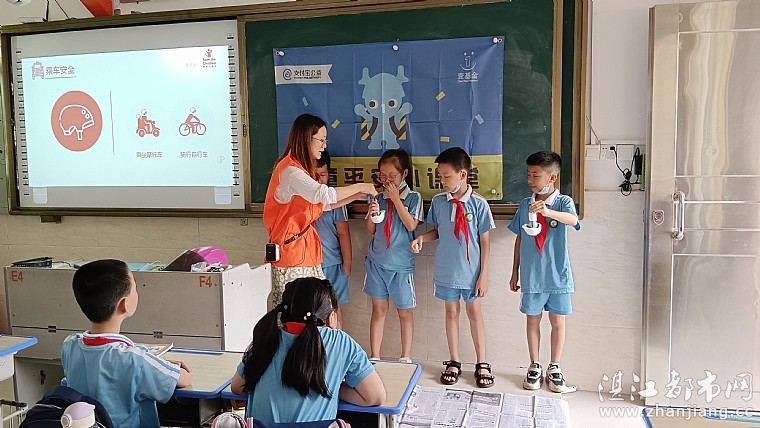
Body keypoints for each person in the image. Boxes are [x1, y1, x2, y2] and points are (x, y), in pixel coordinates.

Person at [230, 277, 386, 423]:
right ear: (331, 317)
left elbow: (237, 387)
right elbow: (375, 396)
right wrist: (334, 388)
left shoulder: (266, 338)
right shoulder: (341, 342)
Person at [61, 259, 192, 428]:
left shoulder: (70, 346)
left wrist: (156, 363)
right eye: (135, 288)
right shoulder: (135, 360)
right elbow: (184, 379)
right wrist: (163, 365)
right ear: (125, 304)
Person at [264, 113, 377, 308]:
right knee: (295, 312)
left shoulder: (301, 170)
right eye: (321, 140)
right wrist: (361, 186)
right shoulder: (290, 171)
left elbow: (321, 205)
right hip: (292, 257)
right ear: (306, 138)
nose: (324, 146)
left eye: (326, 140)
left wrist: (353, 197)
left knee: (317, 308)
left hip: (306, 254)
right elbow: (322, 195)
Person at [411, 147, 496, 388]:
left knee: (474, 313)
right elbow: (437, 231)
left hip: (471, 272)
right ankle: (454, 361)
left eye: (447, 176)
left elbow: (485, 243)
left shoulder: (479, 204)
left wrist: (483, 276)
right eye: (440, 176)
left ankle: (482, 362)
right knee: (450, 312)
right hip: (446, 269)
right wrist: (422, 238)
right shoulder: (439, 202)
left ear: (463, 174)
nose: (443, 181)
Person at [508, 150, 580, 393]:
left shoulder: (562, 202)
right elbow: (519, 238)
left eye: (536, 175)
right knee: (532, 319)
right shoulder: (525, 205)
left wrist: (547, 212)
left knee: (558, 321)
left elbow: (573, 220)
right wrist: (515, 271)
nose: (530, 180)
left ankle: (555, 366)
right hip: (532, 275)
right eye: (529, 174)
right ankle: (534, 364)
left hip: (557, 274)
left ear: (552, 178)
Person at [364, 149, 423, 362]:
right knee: (378, 309)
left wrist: (396, 199)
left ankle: (405, 356)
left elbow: (411, 225)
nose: (387, 180)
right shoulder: (378, 198)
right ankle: (375, 356)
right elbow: (371, 230)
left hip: (401, 266)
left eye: (392, 176)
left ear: (404, 174)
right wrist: (371, 214)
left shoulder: (414, 198)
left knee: (404, 312)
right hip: (376, 262)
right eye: (383, 176)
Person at [314, 150, 352, 326]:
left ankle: (337, 340)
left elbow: (344, 233)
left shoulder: (336, 201)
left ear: (329, 174)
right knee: (314, 310)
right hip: (310, 265)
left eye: (322, 175)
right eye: (314, 175)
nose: (318, 180)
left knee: (334, 309)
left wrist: (347, 264)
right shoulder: (302, 199)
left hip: (333, 265)